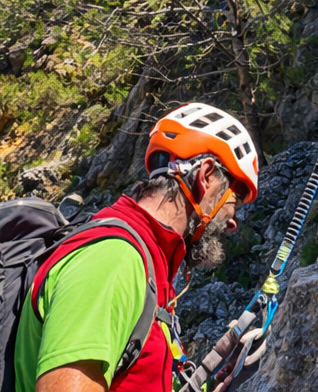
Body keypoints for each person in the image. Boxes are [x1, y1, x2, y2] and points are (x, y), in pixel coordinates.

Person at [14, 103, 259, 392]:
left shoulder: (149, 265)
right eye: (236, 199)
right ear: (205, 177)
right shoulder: (113, 259)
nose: (234, 223)